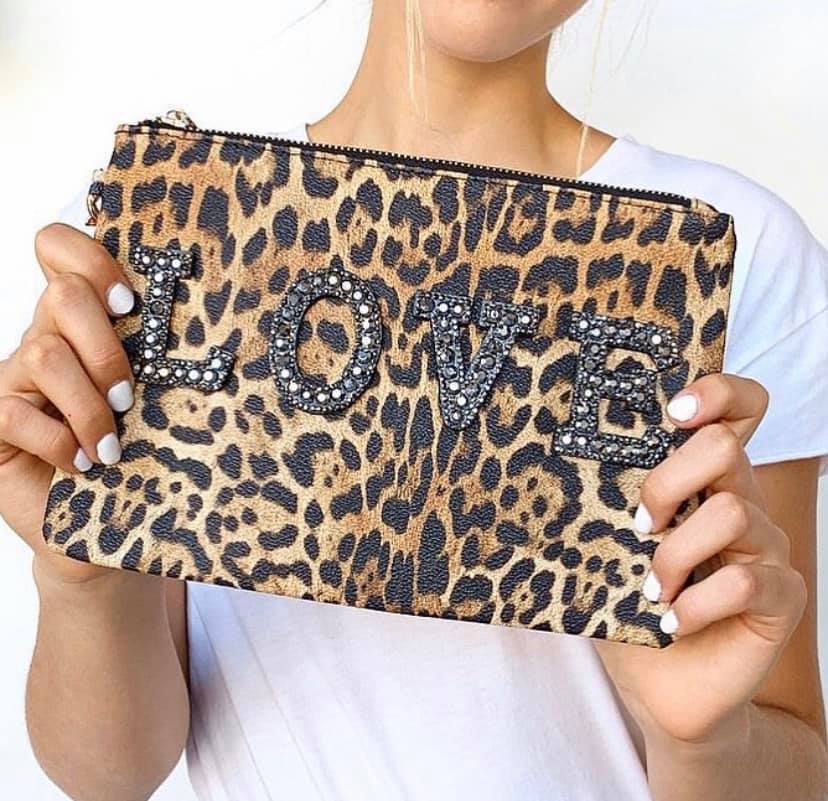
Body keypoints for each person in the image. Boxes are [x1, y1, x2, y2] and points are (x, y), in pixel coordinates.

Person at [4, 2, 827, 799]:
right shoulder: (175, 223)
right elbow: (108, 777)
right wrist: (80, 581)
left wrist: (705, 740)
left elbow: (793, 759)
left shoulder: (735, 257)